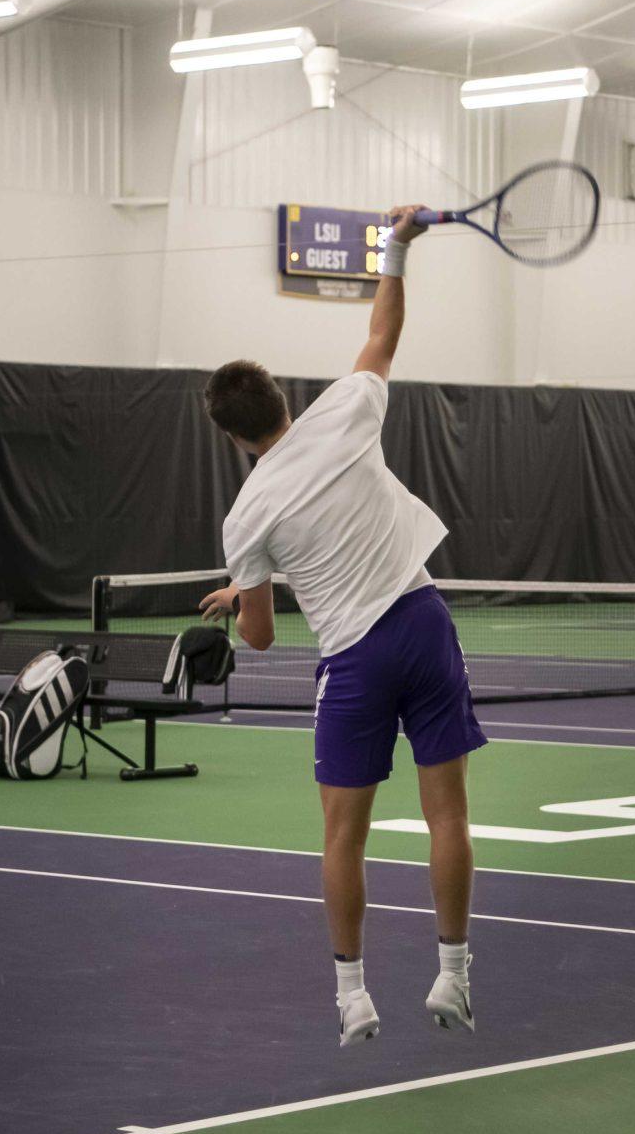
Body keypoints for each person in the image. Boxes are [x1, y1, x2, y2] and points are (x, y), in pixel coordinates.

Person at [199, 206, 486, 1048]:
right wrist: (396, 244)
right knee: (448, 818)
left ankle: (353, 997)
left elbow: (259, 638)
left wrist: (248, 588)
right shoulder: (348, 407)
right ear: (282, 398)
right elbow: (383, 326)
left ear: (230, 435)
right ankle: (454, 977)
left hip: (356, 660)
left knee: (342, 834)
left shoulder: (246, 514)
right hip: (424, 623)